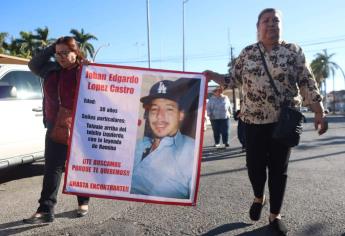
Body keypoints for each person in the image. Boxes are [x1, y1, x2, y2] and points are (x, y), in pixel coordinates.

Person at [204, 8, 328, 235]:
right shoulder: (248, 53)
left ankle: (275, 214)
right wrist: (210, 74)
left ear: (281, 25)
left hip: (284, 121)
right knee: (254, 167)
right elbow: (232, 79)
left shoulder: (293, 51)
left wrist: (319, 111)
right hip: (252, 121)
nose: (271, 24)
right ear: (258, 27)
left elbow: (306, 81)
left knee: (279, 169)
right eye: (266, 21)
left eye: (276, 20)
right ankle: (258, 197)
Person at [23, 36, 90, 224]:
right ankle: (45, 210)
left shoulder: (84, 71)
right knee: (52, 168)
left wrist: (91, 70)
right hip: (55, 127)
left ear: (75, 52)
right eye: (57, 53)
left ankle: (83, 200)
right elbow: (33, 64)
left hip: (80, 128)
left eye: (65, 53)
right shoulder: (50, 70)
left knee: (78, 166)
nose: (60, 57)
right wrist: (53, 47)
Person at [130, 79, 196, 199]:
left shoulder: (192, 151)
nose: (160, 116)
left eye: (169, 109)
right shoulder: (137, 146)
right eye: (154, 109)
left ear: (180, 115)